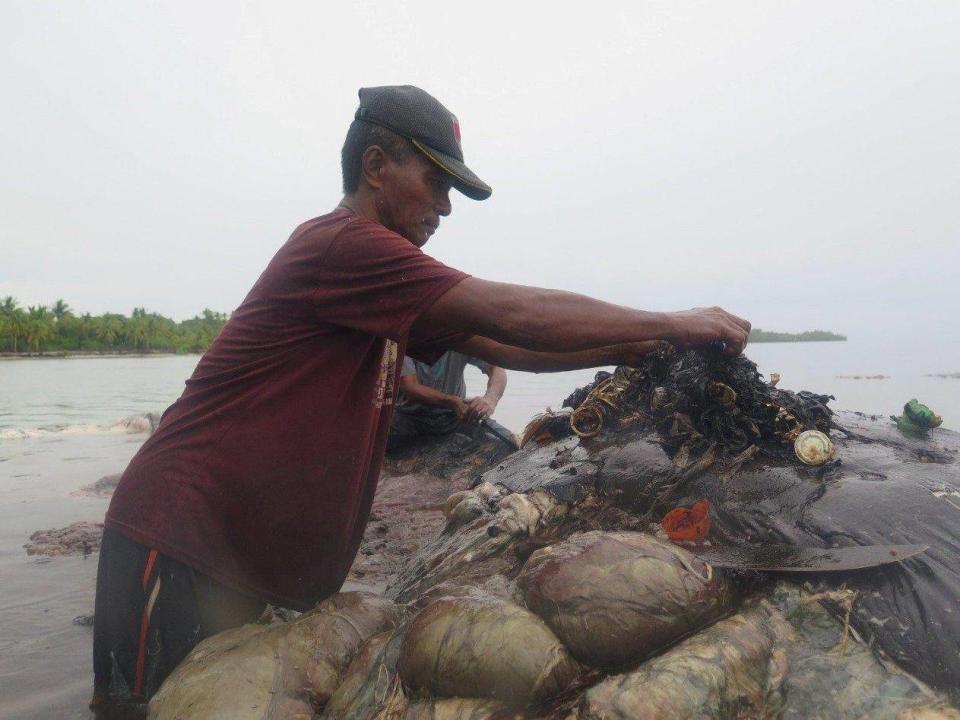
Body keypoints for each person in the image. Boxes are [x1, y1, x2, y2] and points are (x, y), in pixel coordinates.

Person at [91, 84, 751, 716]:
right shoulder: (344, 245)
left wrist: (626, 350)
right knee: (136, 708)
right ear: (377, 166)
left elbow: (501, 341)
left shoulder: (376, 284)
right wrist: (669, 322)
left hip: (235, 560)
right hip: (178, 535)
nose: (445, 206)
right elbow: (515, 312)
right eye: (437, 182)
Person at [388, 351, 514, 452]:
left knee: (511, 442)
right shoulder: (407, 335)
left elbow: (497, 368)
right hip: (407, 417)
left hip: (455, 417)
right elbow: (409, 386)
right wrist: (453, 402)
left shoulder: (461, 336)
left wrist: (490, 399)